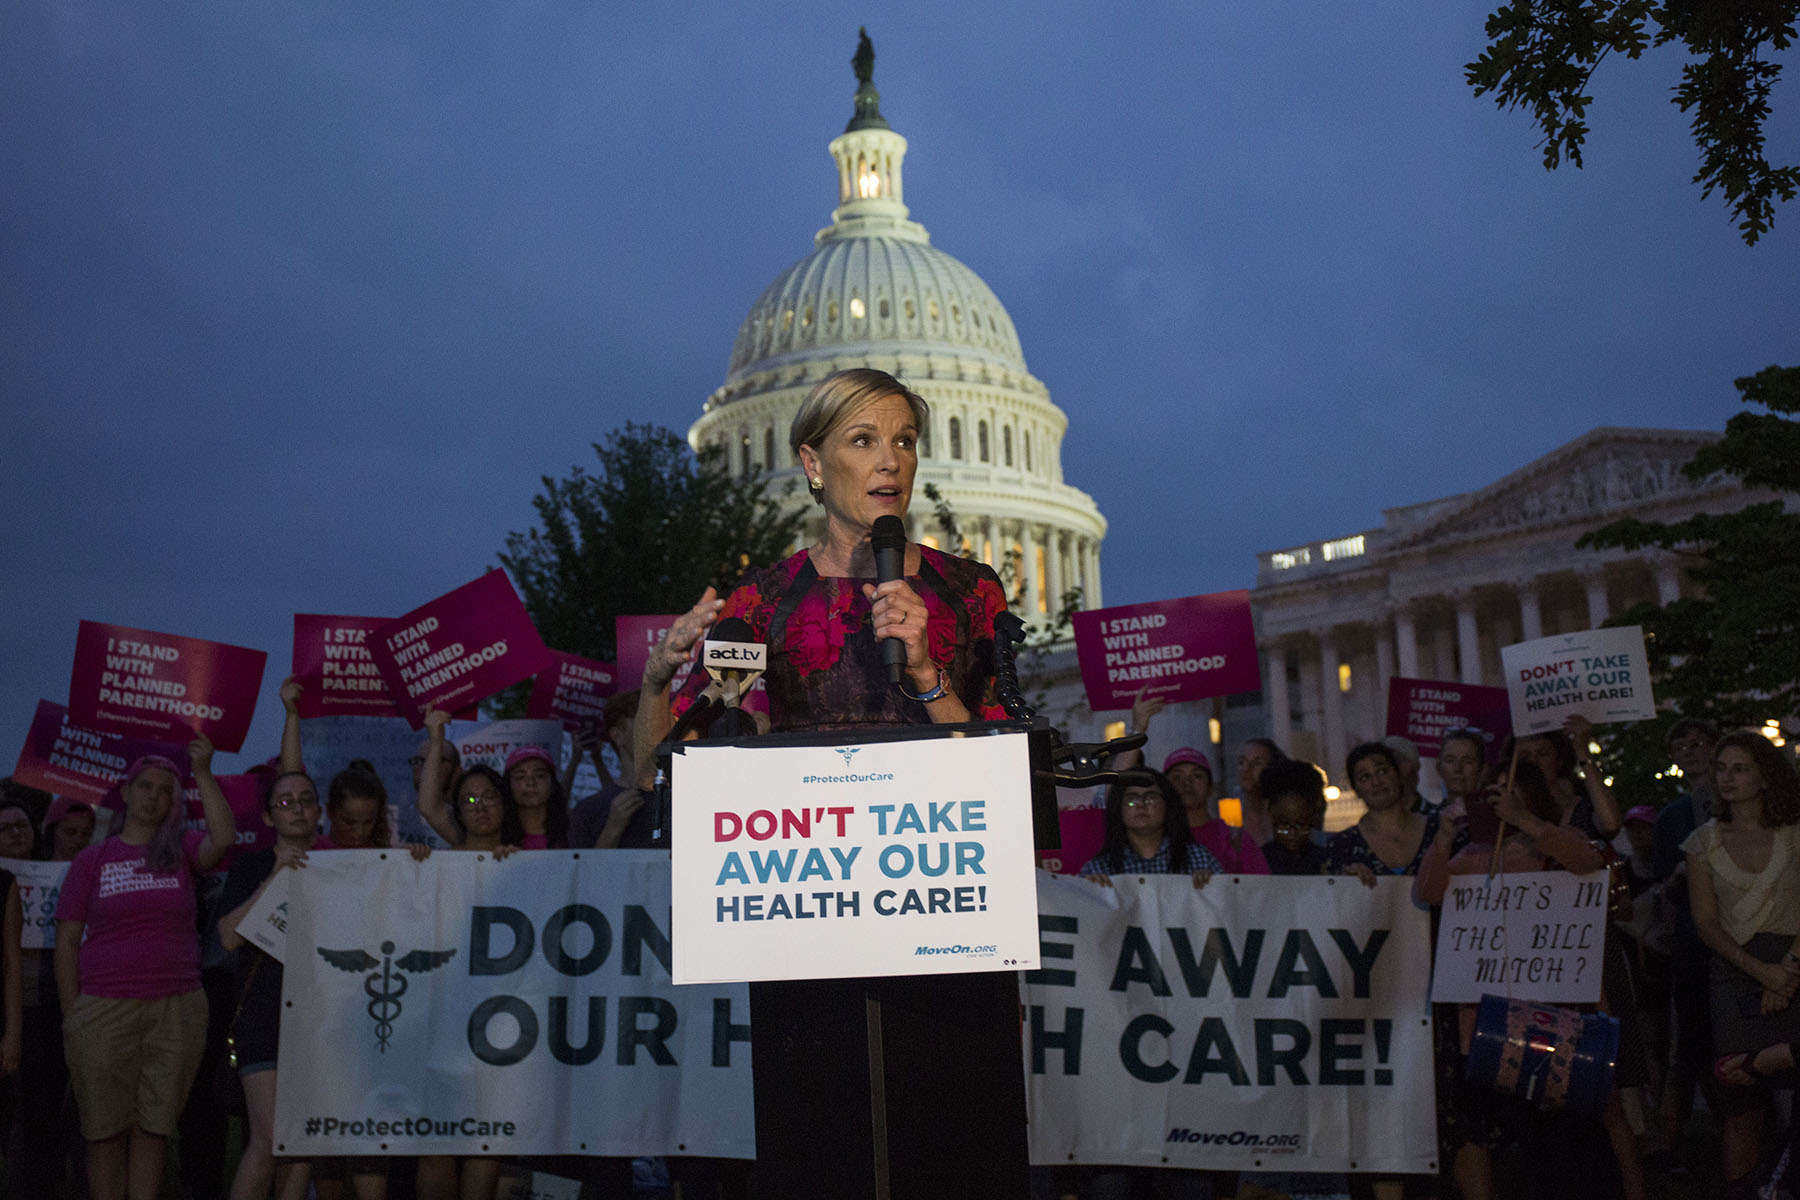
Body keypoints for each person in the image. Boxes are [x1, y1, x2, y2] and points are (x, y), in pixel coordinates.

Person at [636, 367, 1024, 1198]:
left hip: (946, 914)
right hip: (810, 925)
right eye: (863, 440)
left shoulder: (969, 592)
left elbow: (998, 766)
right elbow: (657, 769)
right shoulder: (763, 602)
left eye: (905, 441)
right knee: (823, 1150)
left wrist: (925, 674)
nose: (890, 461)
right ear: (813, 464)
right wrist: (656, 681)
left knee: (953, 1149)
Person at [1413, 761, 1630, 1200]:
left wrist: (1526, 822)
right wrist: (1441, 836)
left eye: (1508, 791)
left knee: (1581, 1135)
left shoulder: (1555, 843)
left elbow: (1589, 861)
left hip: (1565, 1016)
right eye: (1491, 793)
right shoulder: (1473, 855)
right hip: (1498, 1027)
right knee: (1530, 1141)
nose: (1499, 800)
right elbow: (1429, 892)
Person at [53, 741, 236, 1200]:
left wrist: (203, 772)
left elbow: (225, 839)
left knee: (155, 1129)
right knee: (103, 1132)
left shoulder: (181, 851)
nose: (153, 797)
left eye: (164, 791)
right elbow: (67, 942)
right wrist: (73, 1014)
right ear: (127, 792)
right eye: (145, 787)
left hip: (176, 1006)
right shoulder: (91, 861)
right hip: (103, 1007)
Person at [1683, 729, 1800, 1193]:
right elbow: (1706, 923)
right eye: (1722, 768)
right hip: (1735, 974)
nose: (1727, 778)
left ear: (1766, 777)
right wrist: (1762, 972)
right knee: (1741, 1104)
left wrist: (1787, 970)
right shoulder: (1702, 842)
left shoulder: (1794, 832)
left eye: (1741, 768)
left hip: (1794, 963)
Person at [218, 770, 327, 1200]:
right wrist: (275, 876)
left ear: (319, 810)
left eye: (306, 799)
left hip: (320, 1018)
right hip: (263, 1015)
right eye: (285, 802)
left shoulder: (340, 866)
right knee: (267, 1141)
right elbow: (228, 936)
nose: (297, 808)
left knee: (304, 1143)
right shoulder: (251, 866)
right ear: (268, 818)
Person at [1650, 717, 1721, 1165]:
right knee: (1694, 1043)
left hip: (1748, 936)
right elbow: (1663, 888)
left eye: (1699, 743)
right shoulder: (1672, 817)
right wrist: (1680, 877)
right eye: (1682, 745)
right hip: (1695, 946)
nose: (1691, 751)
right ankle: (1671, 1140)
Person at [1079, 769, 1223, 882]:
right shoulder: (1098, 869)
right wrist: (1091, 891)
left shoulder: (1199, 860)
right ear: (1119, 808)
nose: (1141, 805)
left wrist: (1213, 885)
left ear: (1167, 805)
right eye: (1131, 799)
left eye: (1150, 797)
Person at [1327, 741, 1439, 885]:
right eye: (1365, 777)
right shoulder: (1341, 847)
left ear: (1398, 776)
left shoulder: (1439, 830)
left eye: (1382, 771)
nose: (1376, 782)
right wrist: (1345, 883)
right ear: (1356, 790)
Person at [568, 690, 655, 849]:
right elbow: (584, 872)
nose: (657, 732)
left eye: (661, 723)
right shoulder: (587, 811)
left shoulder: (682, 798)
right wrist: (612, 829)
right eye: (645, 723)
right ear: (618, 735)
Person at [1259, 759, 1329, 875]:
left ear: (1313, 817)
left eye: (1302, 826)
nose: (1292, 834)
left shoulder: (1326, 862)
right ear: (1270, 813)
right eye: (1283, 826)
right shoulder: (1257, 861)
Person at [500, 746, 567, 849]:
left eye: (539, 776)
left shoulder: (572, 830)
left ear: (552, 783)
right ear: (509, 785)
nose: (530, 783)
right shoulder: (497, 833)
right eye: (520, 777)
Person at [1233, 737, 1287, 848]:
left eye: (1256, 763)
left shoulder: (1284, 814)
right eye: (1242, 762)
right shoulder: (1230, 815)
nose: (1246, 769)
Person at [1437, 727, 1487, 811]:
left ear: (1482, 770)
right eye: (1450, 761)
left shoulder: (1496, 821)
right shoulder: (1425, 819)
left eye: (1467, 762)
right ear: (1439, 768)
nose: (1458, 769)